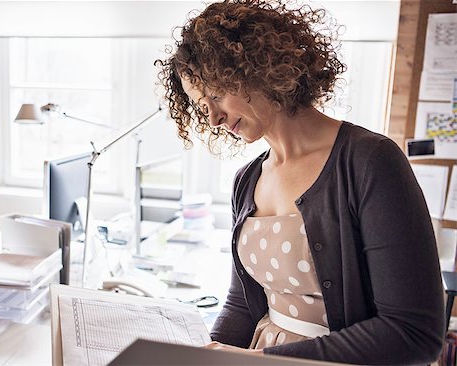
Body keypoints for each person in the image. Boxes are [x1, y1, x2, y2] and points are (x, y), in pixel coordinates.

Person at [156, 0, 445, 364]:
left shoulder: (370, 161)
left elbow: (413, 332)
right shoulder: (247, 181)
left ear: (259, 67)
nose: (212, 118)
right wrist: (208, 356)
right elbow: (242, 305)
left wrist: (264, 361)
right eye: (201, 106)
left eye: (216, 94)